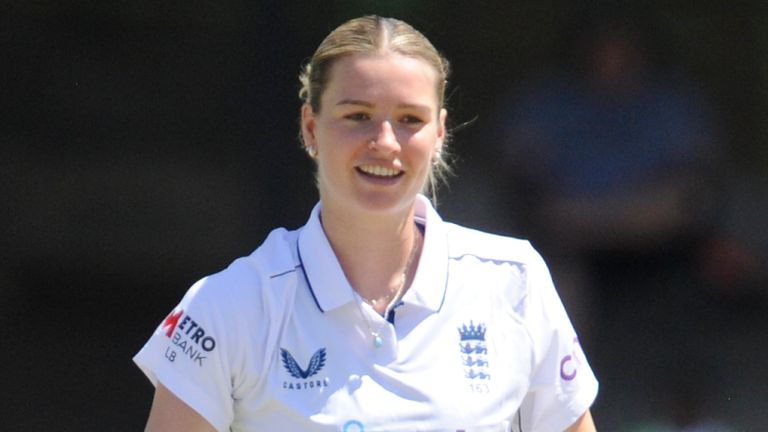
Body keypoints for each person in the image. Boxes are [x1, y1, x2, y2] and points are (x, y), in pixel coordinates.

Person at [134, 15, 598, 432]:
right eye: (357, 116)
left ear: (439, 133)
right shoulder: (228, 305)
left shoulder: (514, 280)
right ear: (310, 127)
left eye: (409, 120)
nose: (384, 143)